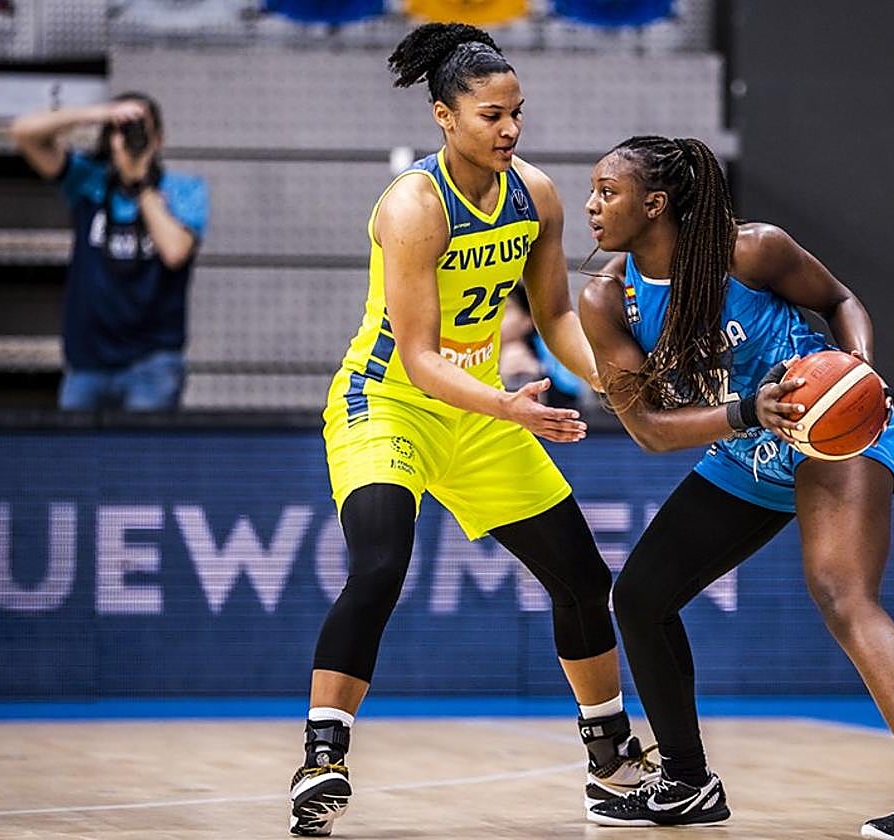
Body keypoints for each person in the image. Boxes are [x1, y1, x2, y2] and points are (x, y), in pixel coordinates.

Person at [288, 23, 654, 836]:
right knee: (380, 563)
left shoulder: (536, 195)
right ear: (444, 116)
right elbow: (420, 359)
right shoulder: (414, 206)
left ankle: (610, 763)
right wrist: (511, 407)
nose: (511, 128)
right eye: (492, 114)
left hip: (482, 411)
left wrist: (613, 380)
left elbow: (555, 316)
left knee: (582, 578)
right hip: (388, 403)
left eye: (517, 112)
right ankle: (322, 759)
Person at [578, 135, 894, 839]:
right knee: (641, 596)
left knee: (841, 593)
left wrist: (857, 368)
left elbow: (840, 299)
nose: (591, 205)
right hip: (747, 444)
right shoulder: (606, 300)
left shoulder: (751, 251)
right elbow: (648, 430)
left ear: (655, 204)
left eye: (607, 192)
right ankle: (687, 782)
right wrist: (745, 414)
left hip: (830, 432)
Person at [9, 92, 208, 411]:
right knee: (77, 445)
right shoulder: (89, 181)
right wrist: (100, 113)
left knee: (143, 445)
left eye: (139, 130)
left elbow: (174, 252)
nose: (128, 140)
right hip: (87, 363)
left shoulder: (183, 190)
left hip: (152, 363)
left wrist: (141, 184)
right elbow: (24, 132)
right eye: (120, 131)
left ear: (158, 140)